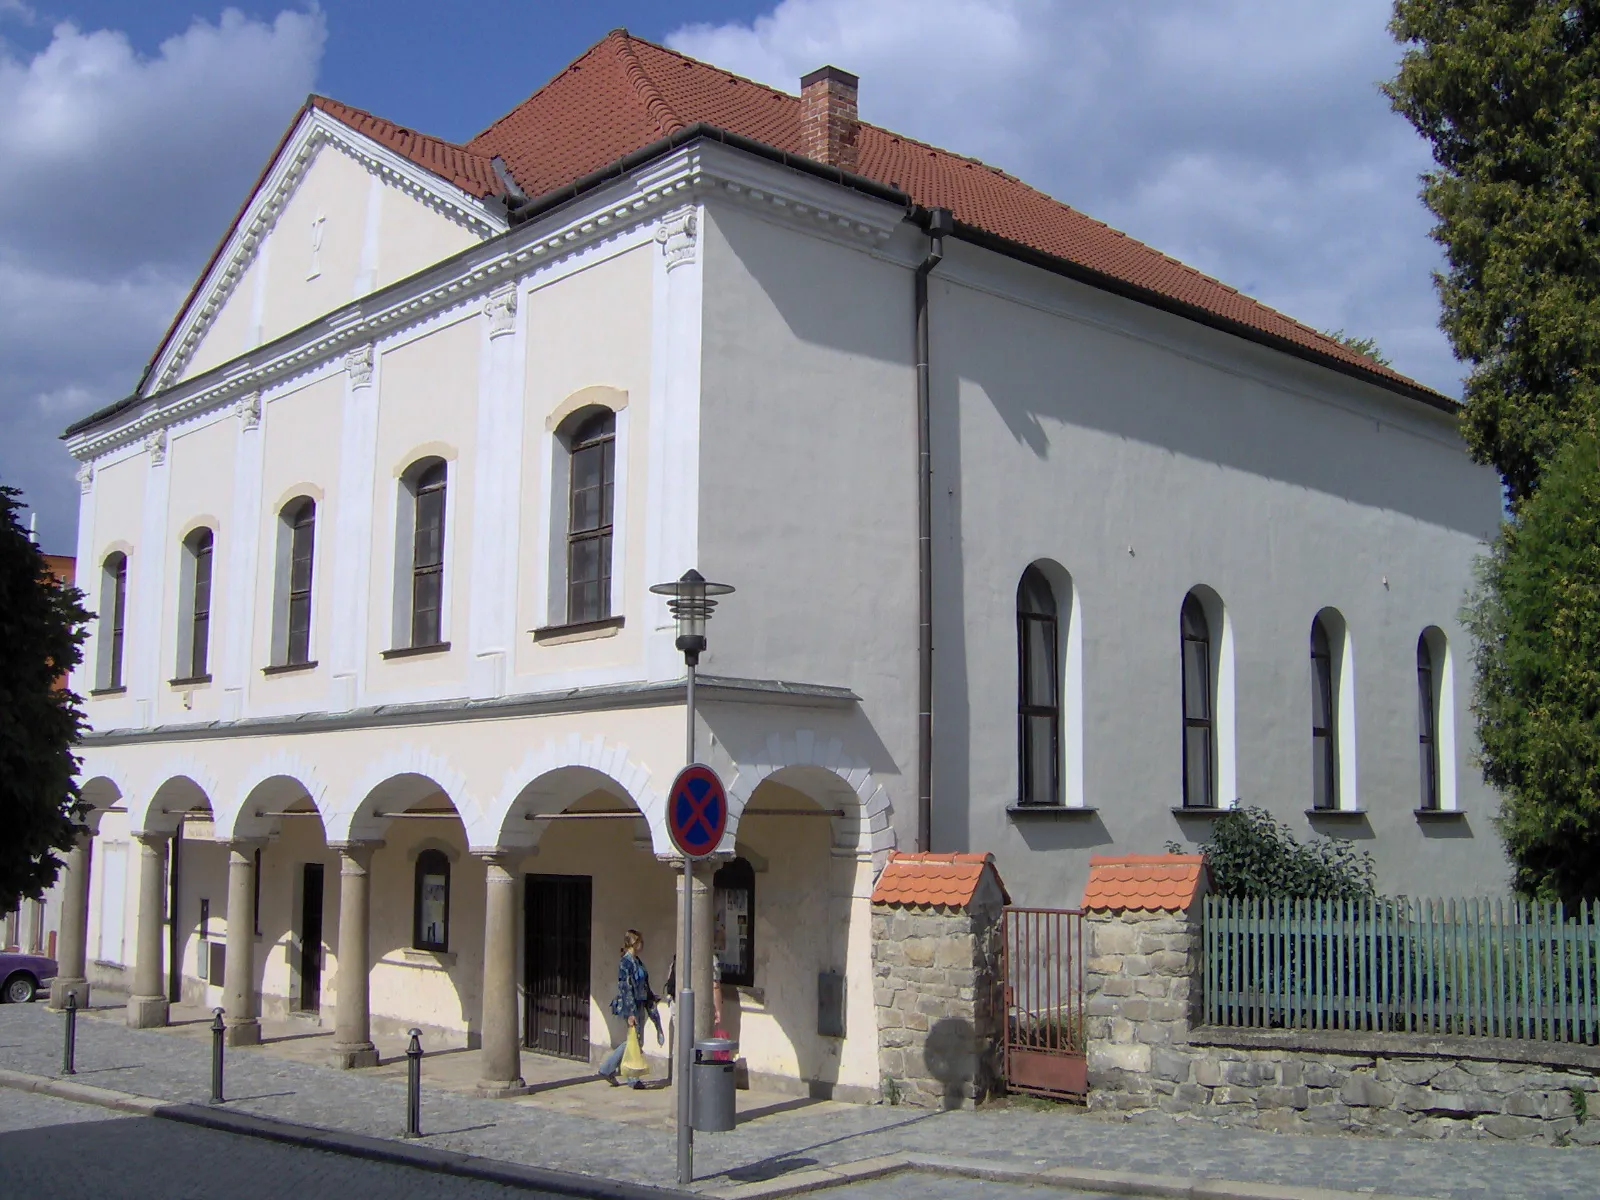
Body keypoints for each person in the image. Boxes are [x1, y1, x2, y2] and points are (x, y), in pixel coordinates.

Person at [598, 929, 657, 1087]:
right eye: (640, 942)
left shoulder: (637, 961)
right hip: (631, 1006)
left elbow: (643, 983)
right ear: (634, 943)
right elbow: (626, 989)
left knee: (635, 1040)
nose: (642, 945)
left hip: (639, 1004)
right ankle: (614, 1070)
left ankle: (623, 1073)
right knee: (634, 1040)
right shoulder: (626, 962)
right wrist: (631, 1013)